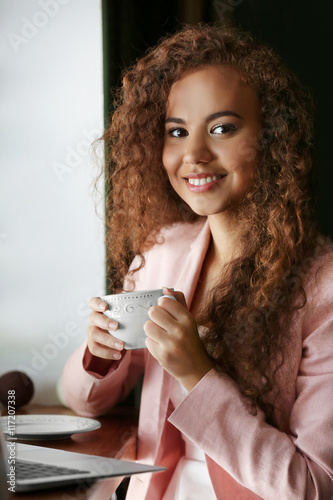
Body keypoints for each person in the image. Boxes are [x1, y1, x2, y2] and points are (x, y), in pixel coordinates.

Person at [62, 22, 333, 499]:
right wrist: (98, 357)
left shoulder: (324, 286)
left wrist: (197, 373)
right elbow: (81, 401)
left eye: (223, 128)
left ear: (271, 138)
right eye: (177, 131)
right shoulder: (161, 252)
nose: (194, 154)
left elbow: (313, 487)